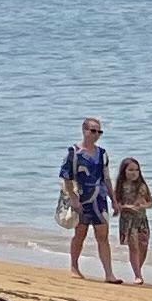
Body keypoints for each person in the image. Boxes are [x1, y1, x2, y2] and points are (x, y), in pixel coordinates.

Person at [58, 115, 116, 280]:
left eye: (99, 131)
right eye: (93, 131)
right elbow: (66, 177)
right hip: (82, 198)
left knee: (103, 236)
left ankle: (109, 273)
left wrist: (114, 200)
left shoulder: (102, 153)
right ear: (84, 131)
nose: (96, 134)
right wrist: (74, 199)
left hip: (99, 199)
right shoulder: (74, 152)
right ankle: (74, 266)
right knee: (80, 233)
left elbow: (106, 178)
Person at [112, 153, 152, 283]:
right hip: (128, 220)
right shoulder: (120, 186)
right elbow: (116, 204)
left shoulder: (142, 186)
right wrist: (127, 207)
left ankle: (138, 269)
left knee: (144, 245)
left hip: (141, 220)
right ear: (124, 171)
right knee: (133, 247)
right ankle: (138, 275)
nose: (134, 173)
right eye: (130, 170)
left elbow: (151, 202)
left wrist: (143, 205)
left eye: (136, 170)